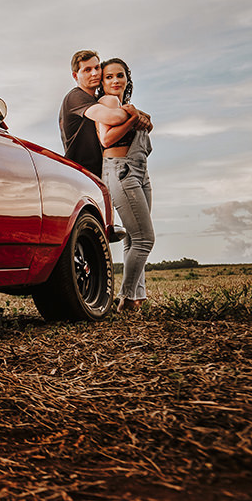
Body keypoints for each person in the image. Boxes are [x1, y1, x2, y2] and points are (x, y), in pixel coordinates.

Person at [95, 57, 153, 311]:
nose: (115, 80)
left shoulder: (123, 105)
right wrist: (134, 118)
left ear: (127, 78)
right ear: (102, 82)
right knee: (145, 239)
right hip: (122, 171)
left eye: (120, 75)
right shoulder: (107, 103)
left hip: (139, 171)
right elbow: (106, 139)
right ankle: (126, 299)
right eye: (109, 77)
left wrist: (139, 116)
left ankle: (137, 296)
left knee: (133, 238)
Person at [59, 50, 146, 178]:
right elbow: (113, 117)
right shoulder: (75, 97)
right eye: (87, 70)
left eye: (97, 67)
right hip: (80, 174)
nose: (94, 73)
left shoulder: (96, 100)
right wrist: (134, 115)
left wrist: (139, 115)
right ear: (75, 76)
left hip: (98, 174)